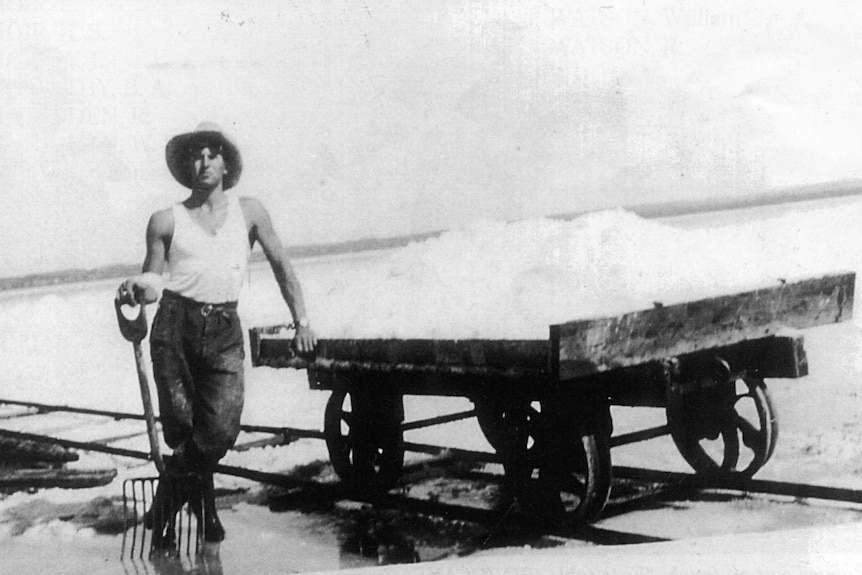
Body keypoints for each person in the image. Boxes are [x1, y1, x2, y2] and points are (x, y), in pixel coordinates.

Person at [117, 121, 316, 544]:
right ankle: (204, 517)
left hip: (225, 328)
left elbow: (282, 265)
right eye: (196, 155)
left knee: (221, 429)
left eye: (212, 153)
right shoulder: (165, 220)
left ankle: (165, 503)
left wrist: (302, 320)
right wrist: (137, 289)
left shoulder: (251, 213)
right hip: (174, 327)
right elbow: (154, 278)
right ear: (187, 166)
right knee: (184, 429)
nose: (203, 161)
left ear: (227, 163)